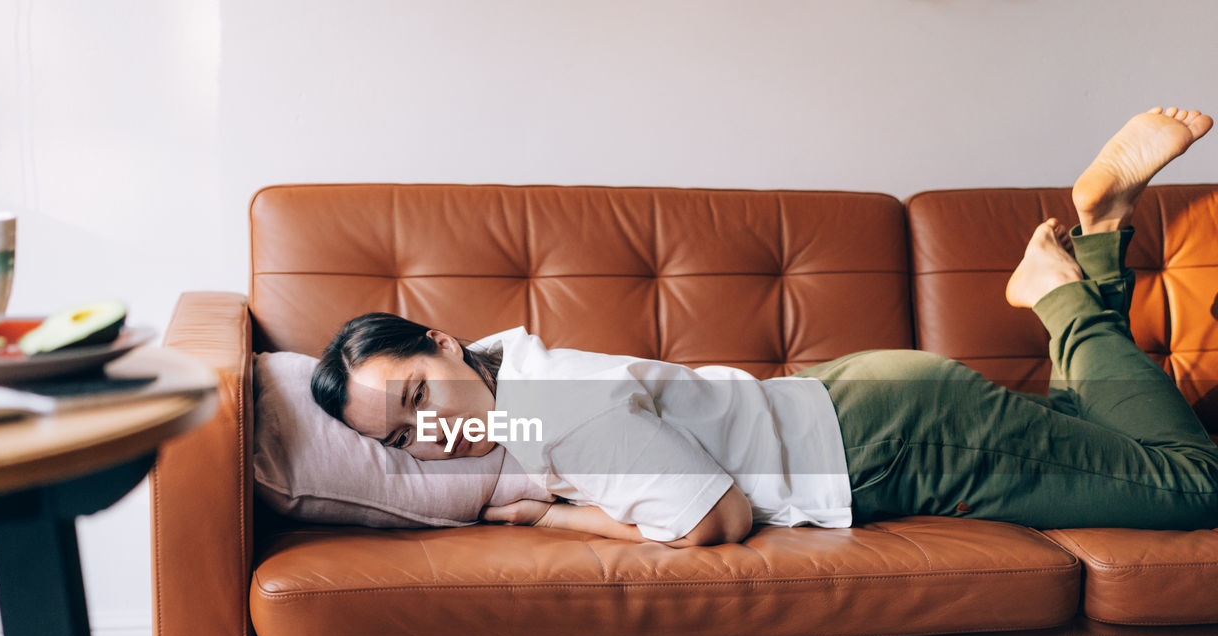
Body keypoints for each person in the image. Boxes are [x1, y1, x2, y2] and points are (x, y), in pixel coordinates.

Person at [311, 107, 1218, 547]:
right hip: (861, 406)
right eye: (402, 437)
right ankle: (1101, 230)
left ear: (438, 339)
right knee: (1096, 438)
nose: (431, 435)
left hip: (896, 443)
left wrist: (546, 518)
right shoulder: (516, 367)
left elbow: (717, 517)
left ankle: (1059, 290)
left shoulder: (553, 410)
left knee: (1194, 487)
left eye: (419, 397)